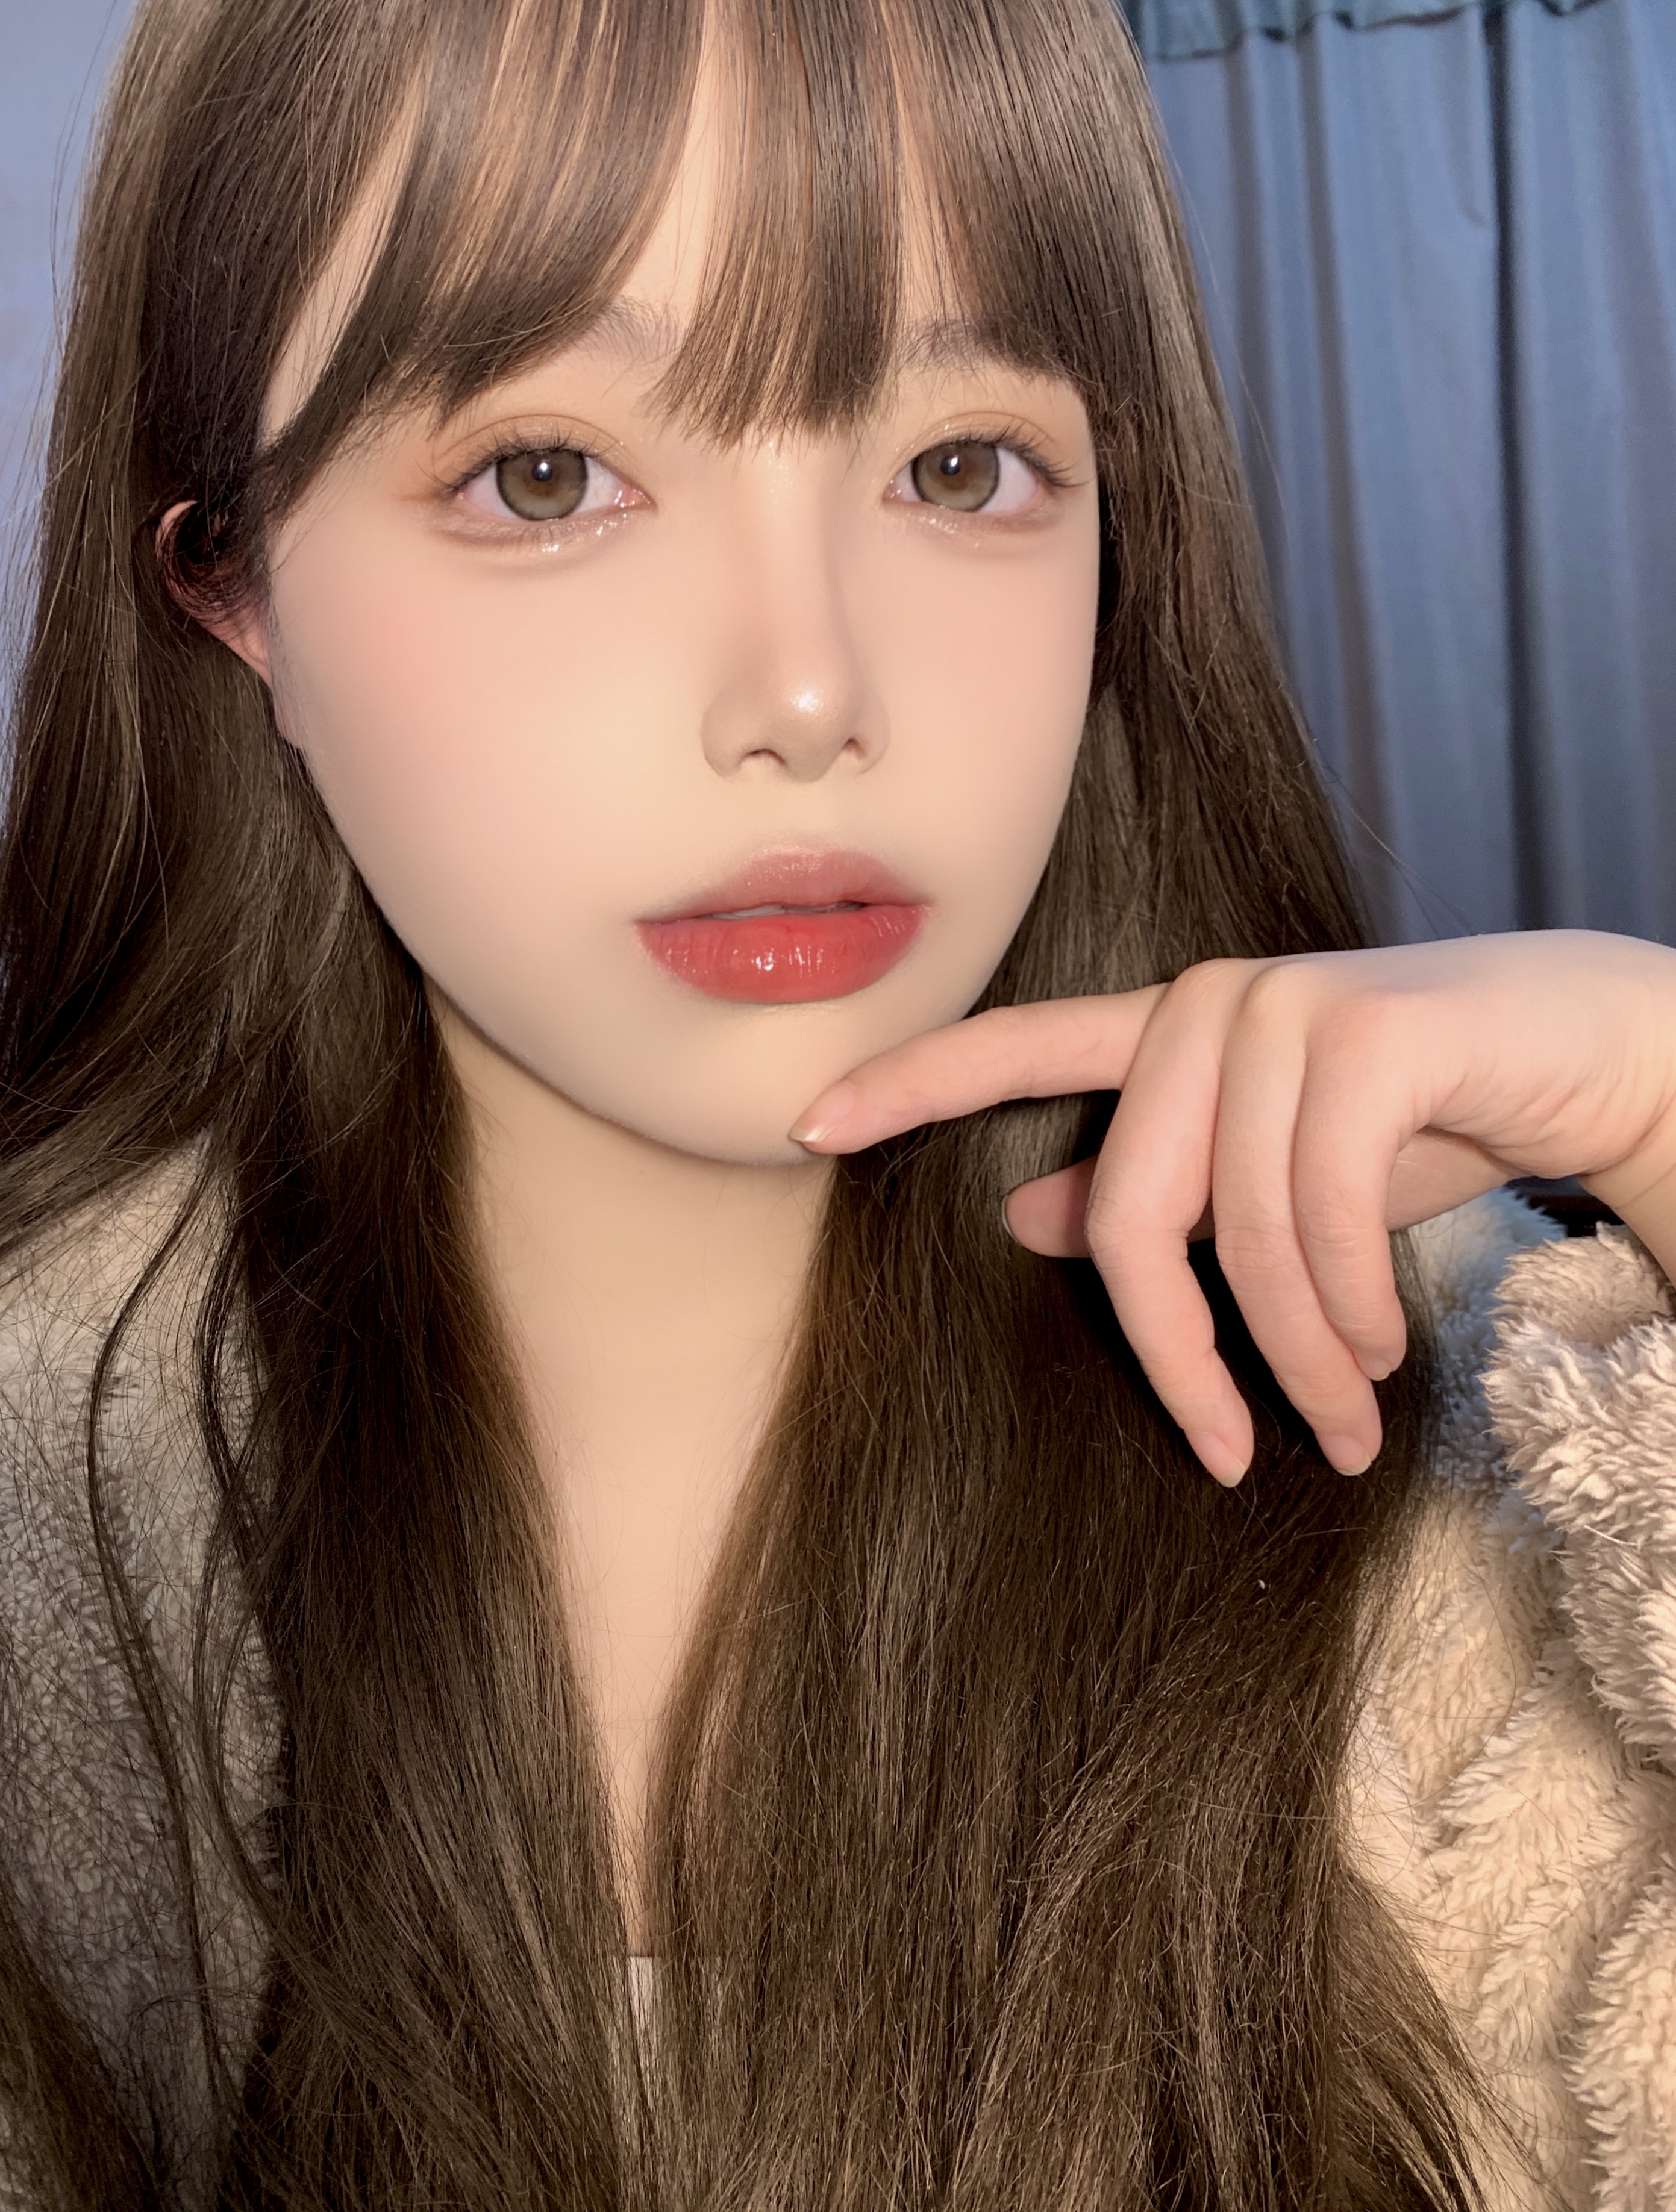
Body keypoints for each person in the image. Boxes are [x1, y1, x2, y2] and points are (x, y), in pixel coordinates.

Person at [0, 0, 1671, 2203]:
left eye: (960, 468)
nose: (808, 689)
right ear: (231, 589)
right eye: (542, 475)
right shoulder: (45, 1516)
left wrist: (1664, 1105)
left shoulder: (1455, 1410)